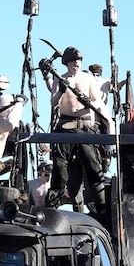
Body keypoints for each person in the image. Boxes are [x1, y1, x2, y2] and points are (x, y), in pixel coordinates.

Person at [39, 47, 115, 214]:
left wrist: (90, 103)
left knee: (94, 170)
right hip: (65, 129)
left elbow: (99, 103)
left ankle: (101, 208)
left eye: (79, 60)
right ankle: (52, 208)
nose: (76, 63)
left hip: (87, 129)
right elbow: (53, 103)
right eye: (73, 61)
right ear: (66, 62)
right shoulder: (61, 79)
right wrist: (61, 91)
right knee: (60, 169)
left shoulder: (88, 79)